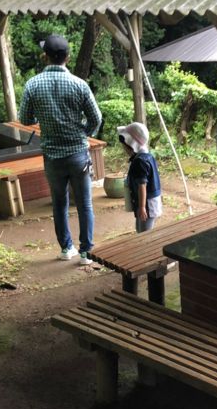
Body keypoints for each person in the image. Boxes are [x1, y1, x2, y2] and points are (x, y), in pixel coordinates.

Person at [19, 34, 102, 266]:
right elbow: (96, 118)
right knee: (85, 203)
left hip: (52, 156)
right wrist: (84, 133)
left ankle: (66, 248)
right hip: (78, 154)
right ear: (68, 57)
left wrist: (43, 117)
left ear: (45, 56)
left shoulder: (32, 84)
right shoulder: (79, 84)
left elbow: (25, 119)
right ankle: (86, 253)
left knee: (59, 203)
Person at [118, 122, 163, 232]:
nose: (124, 148)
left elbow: (142, 186)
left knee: (145, 234)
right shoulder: (147, 156)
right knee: (140, 230)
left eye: (124, 146)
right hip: (149, 202)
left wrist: (142, 207)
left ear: (130, 144)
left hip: (147, 205)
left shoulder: (140, 161)